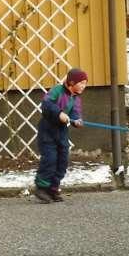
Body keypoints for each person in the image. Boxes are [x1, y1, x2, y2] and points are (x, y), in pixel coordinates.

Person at [34, 68, 88, 203]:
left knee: (62, 161)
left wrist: (77, 120)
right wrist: (59, 113)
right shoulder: (57, 91)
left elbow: (75, 113)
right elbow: (46, 104)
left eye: (85, 83)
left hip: (61, 132)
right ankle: (41, 188)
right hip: (47, 130)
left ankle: (53, 189)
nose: (83, 86)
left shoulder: (75, 98)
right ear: (71, 82)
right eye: (81, 83)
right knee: (50, 159)